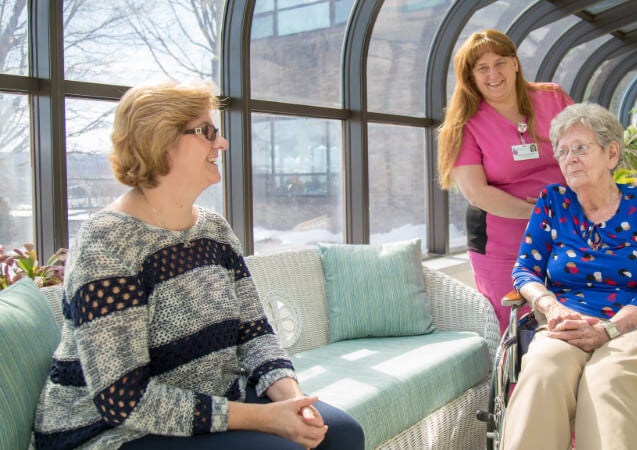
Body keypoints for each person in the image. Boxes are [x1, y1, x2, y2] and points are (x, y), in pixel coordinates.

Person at [31, 81, 364, 450]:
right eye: (206, 132)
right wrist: (263, 418)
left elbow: (254, 333)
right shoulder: (106, 243)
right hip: (114, 431)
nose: (220, 143)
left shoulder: (214, 230)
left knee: (343, 434)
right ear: (161, 141)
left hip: (214, 400)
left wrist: (291, 402)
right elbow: (121, 400)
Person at [499, 103, 637, 450]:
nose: (570, 158)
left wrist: (610, 330)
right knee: (543, 372)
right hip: (570, 320)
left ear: (612, 154)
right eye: (563, 151)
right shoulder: (553, 202)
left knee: (606, 378)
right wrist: (552, 308)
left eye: (581, 148)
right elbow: (525, 270)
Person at [437, 29, 573, 332]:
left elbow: (588, 149)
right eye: (482, 68)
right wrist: (539, 211)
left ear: (515, 64)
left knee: (572, 315)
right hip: (501, 243)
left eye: (500, 62)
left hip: (568, 231)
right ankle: (515, 382)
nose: (493, 74)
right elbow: (477, 192)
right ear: (470, 76)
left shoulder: (553, 98)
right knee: (516, 327)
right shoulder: (464, 124)